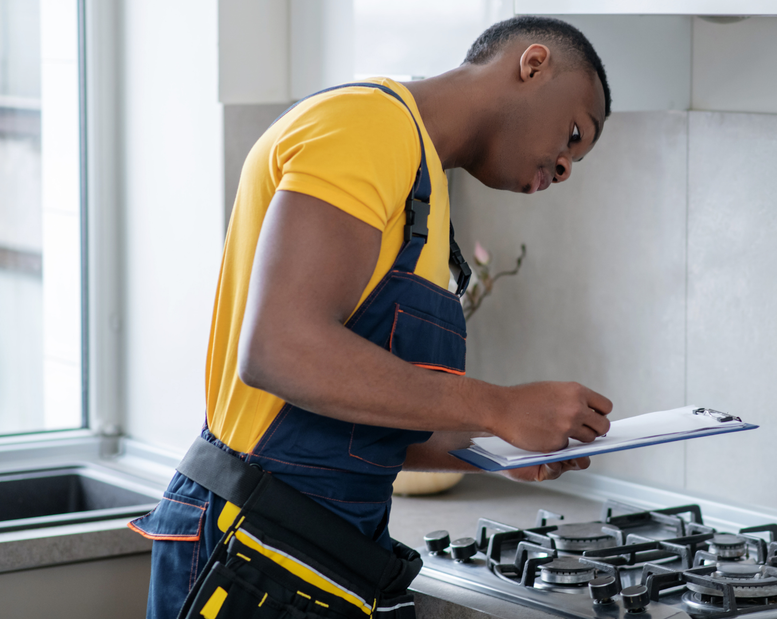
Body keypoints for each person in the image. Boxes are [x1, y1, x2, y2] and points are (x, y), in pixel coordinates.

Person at [130, 15, 614, 619]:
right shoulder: (369, 126)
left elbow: (364, 426)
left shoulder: (424, 193)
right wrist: (498, 405)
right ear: (533, 65)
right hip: (249, 547)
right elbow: (280, 350)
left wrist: (504, 443)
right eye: (574, 133)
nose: (565, 167)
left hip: (310, 560)